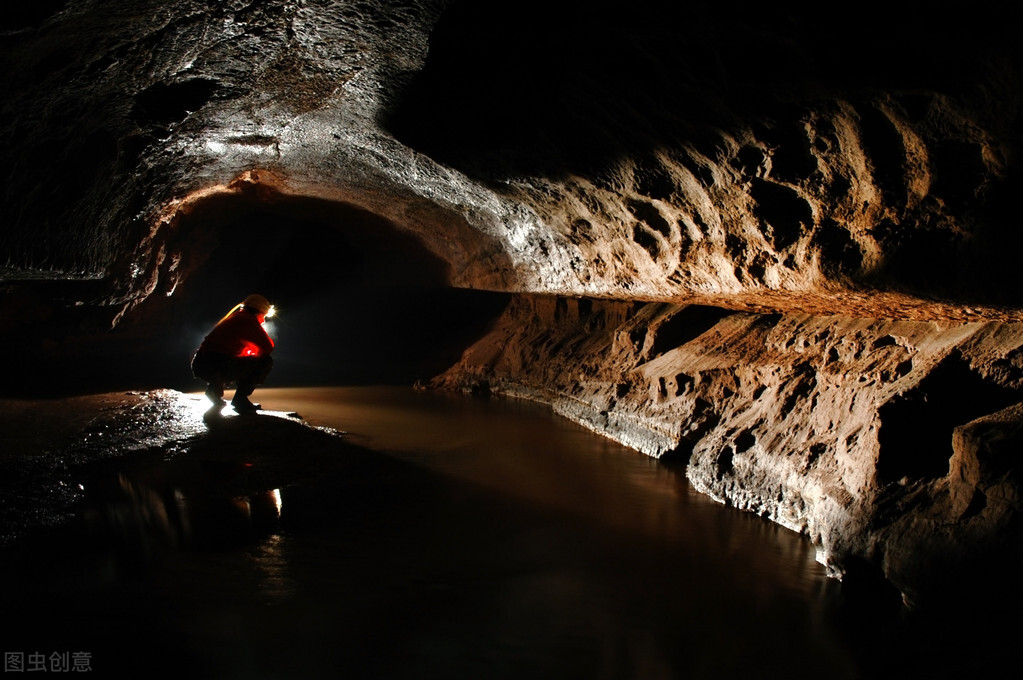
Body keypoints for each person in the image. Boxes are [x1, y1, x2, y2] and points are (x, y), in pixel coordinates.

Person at [191, 293, 275, 412]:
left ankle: (213, 390)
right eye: (264, 316)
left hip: (201, 364)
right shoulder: (249, 321)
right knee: (265, 361)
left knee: (231, 357)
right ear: (259, 311)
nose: (263, 320)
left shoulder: (236, 317)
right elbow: (268, 346)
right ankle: (240, 400)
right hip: (219, 365)